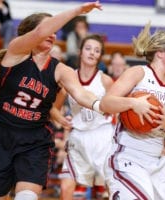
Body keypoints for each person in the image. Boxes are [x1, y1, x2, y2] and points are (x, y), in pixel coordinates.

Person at [0, 2, 103, 200]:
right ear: (30, 34)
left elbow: (81, 95)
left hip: (34, 142)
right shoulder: (16, 52)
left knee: (26, 197)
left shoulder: (61, 70)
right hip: (1, 139)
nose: (53, 34)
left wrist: (101, 105)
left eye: (56, 31)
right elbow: (40, 32)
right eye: (50, 29)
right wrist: (77, 11)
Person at [100, 22, 165, 199]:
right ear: (160, 53)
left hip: (157, 159)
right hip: (127, 156)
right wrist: (133, 104)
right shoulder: (138, 73)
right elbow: (106, 103)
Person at [55, 34, 114, 200]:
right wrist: (60, 119)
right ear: (80, 52)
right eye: (88, 48)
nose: (92, 53)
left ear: (100, 56)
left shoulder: (106, 80)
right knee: (66, 187)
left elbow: (117, 109)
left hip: (103, 135)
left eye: (97, 50)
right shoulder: (69, 78)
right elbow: (54, 108)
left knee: (111, 187)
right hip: (79, 135)